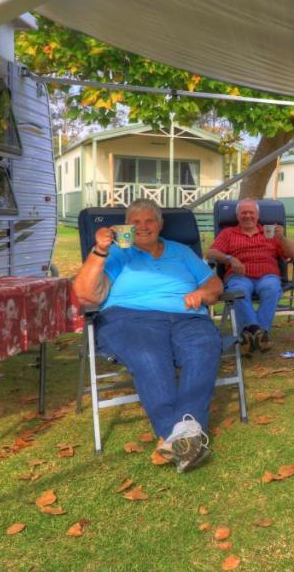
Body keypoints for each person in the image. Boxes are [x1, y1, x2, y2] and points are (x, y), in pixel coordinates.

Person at [73, 198, 223, 473]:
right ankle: (180, 434)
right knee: (149, 355)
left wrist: (201, 294)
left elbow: (214, 284)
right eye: (136, 222)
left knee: (204, 346)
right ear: (126, 226)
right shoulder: (116, 253)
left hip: (187, 315)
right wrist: (99, 250)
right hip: (130, 317)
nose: (143, 227)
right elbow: (85, 294)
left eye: (149, 220)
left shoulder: (182, 252)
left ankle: (177, 437)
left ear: (160, 224)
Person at [206, 198, 294, 354]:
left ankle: (250, 334)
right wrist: (230, 259)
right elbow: (210, 252)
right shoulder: (228, 233)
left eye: (251, 212)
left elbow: (292, 254)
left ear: (258, 215)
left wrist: (281, 238)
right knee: (238, 291)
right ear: (237, 216)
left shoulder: (271, 233)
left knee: (271, 288)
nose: (248, 216)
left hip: (267, 275)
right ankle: (260, 334)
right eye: (243, 213)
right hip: (239, 276)